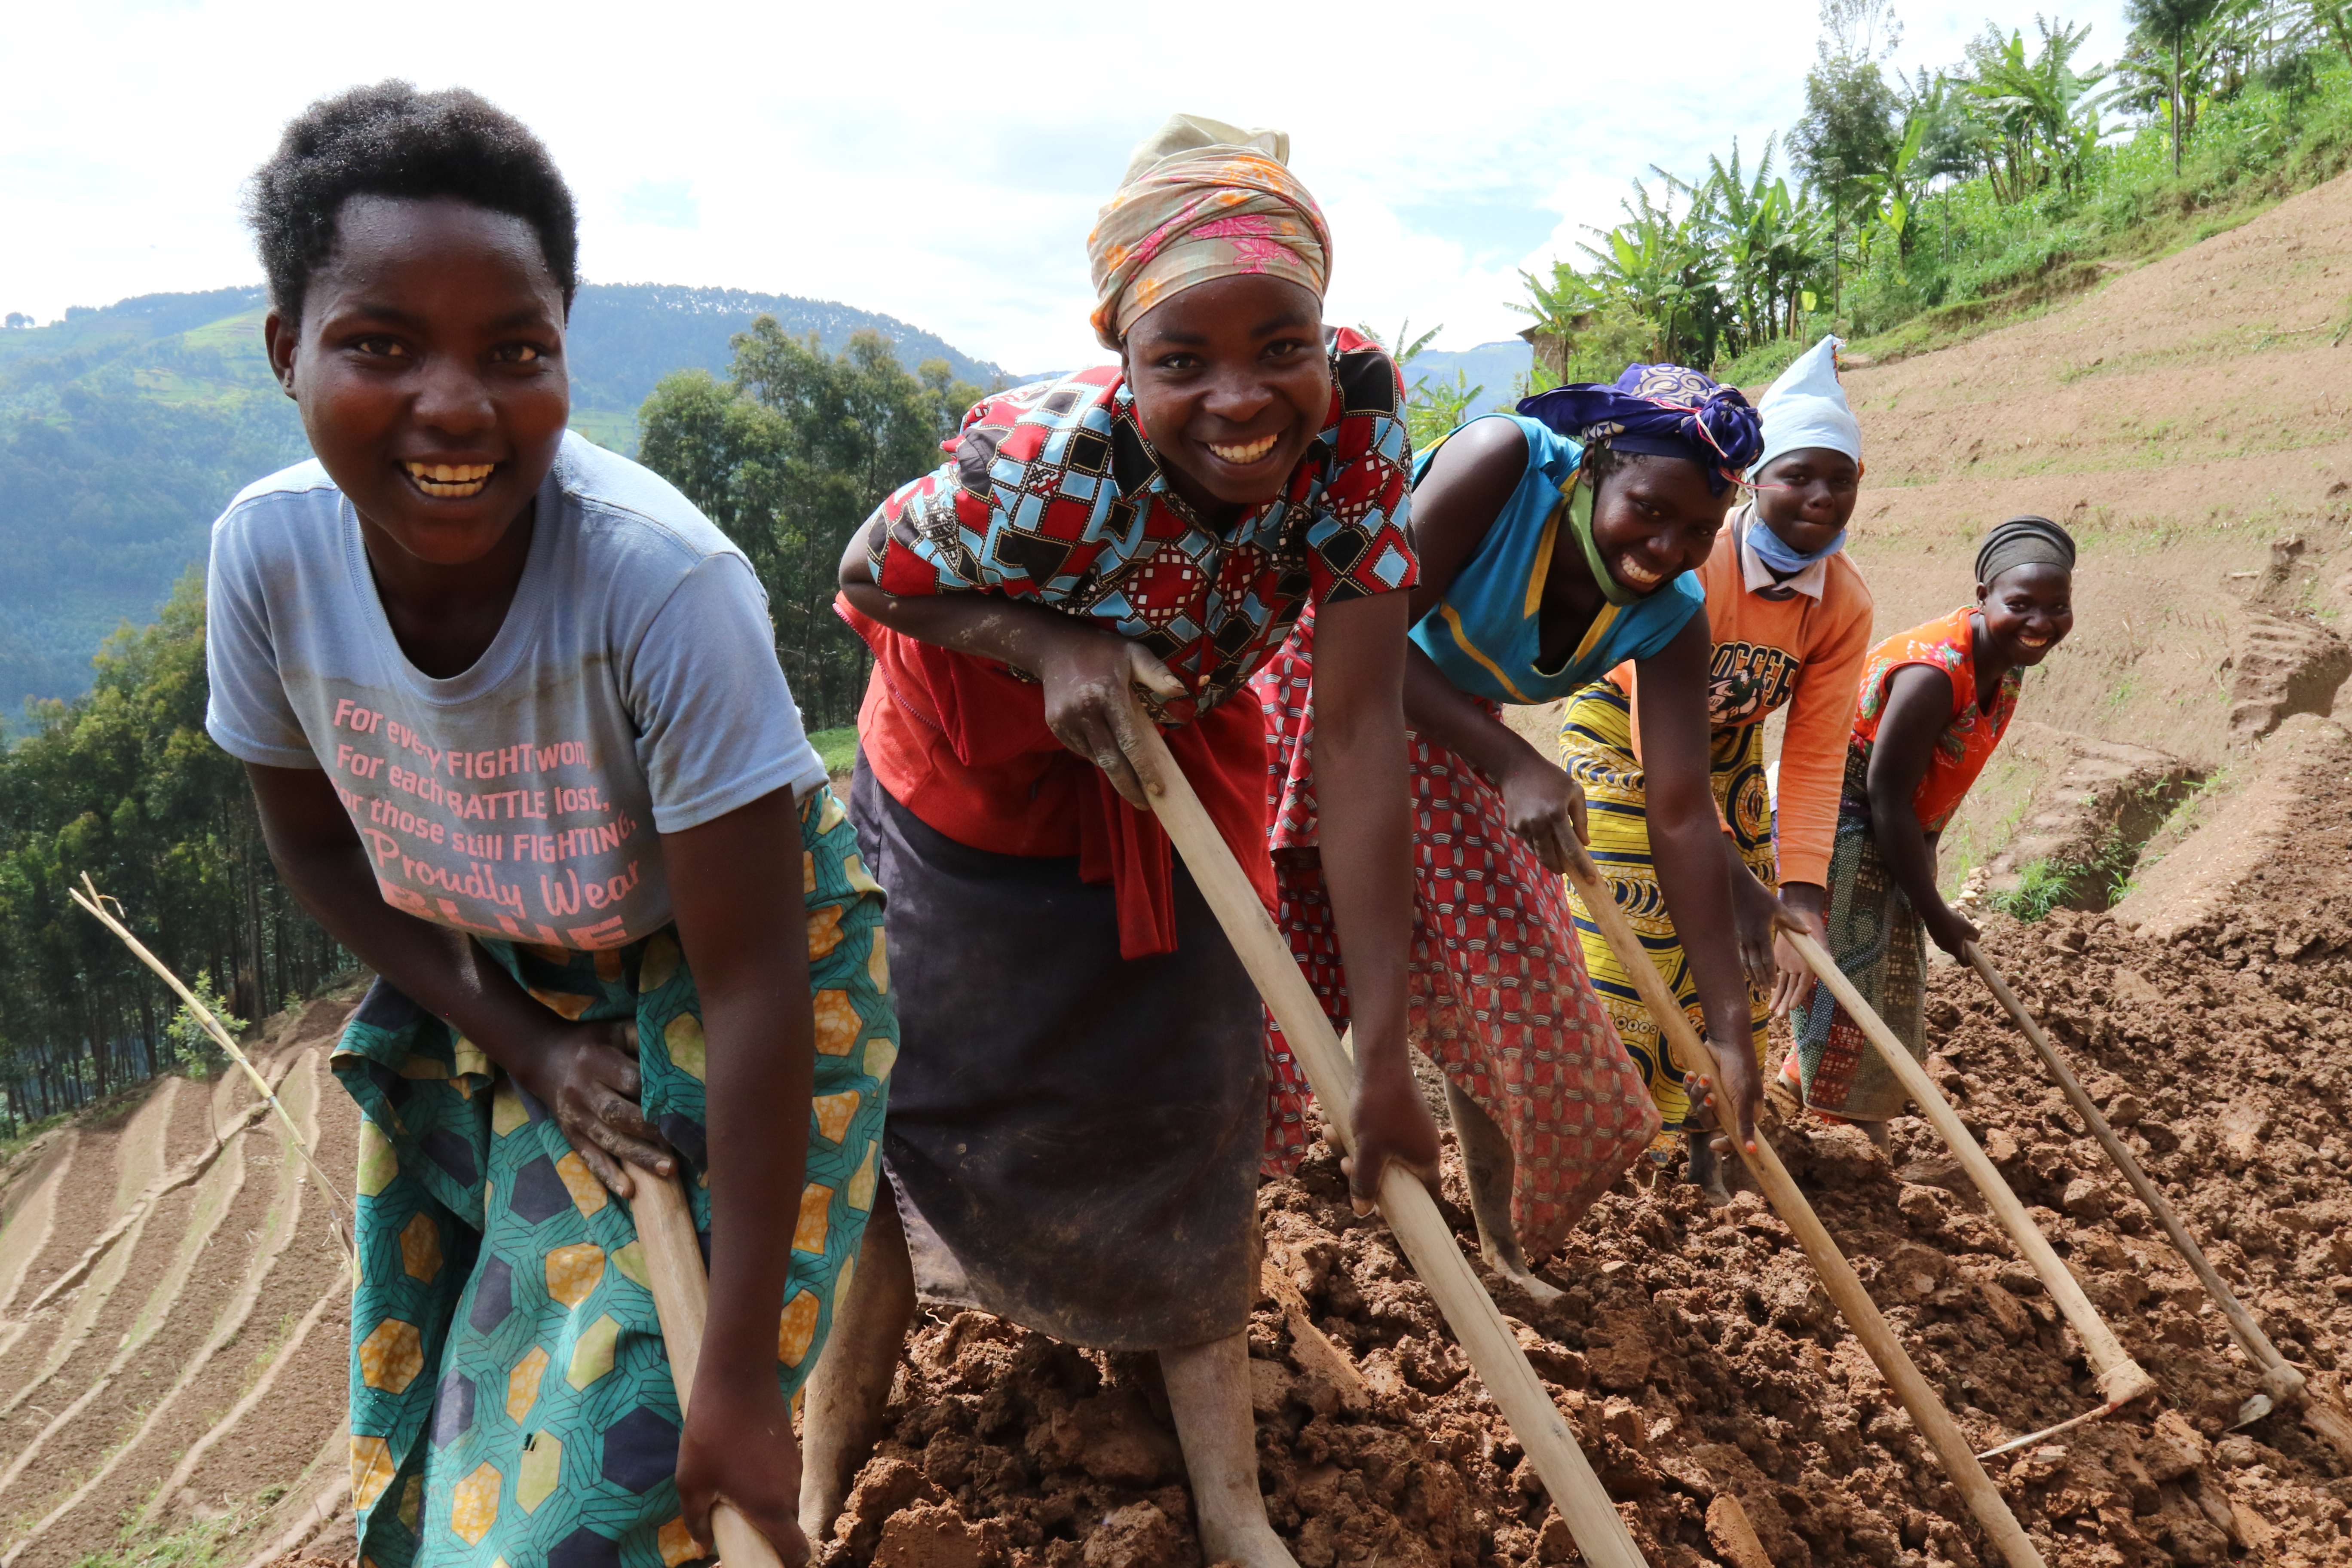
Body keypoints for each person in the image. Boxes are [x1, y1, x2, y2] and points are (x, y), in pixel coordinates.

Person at [205, 83, 891, 1566]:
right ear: (287, 351)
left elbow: (759, 981)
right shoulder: (267, 560)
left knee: (617, 1475)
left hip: (738, 980)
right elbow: (319, 853)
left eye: (514, 351)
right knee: (470, 1449)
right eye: (380, 344)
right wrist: (526, 1041)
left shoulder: (662, 585)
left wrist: (736, 1378)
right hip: (505, 979)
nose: (455, 404)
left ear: (565, 353)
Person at [810, 116, 1436, 1568]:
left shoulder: (1357, 438)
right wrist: (1038, 639)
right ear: (1123, 353)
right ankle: (819, 1475)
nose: (1240, 397)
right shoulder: (1045, 466)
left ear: (1325, 332)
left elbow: (1354, 737)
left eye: (1278, 343)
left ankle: (1233, 1506)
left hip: (1183, 755)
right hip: (972, 782)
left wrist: (1383, 1053)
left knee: (1189, 1100)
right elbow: (864, 571)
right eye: (1182, 361)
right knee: (916, 1128)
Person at [1249, 360, 1770, 1299]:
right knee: (1280, 965)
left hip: (1452, 732)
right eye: (1650, 509)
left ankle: (1501, 1250)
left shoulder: (1672, 617)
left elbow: (1683, 813)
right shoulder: (1501, 465)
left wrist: (1731, 1033)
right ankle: (1238, 1212)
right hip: (1320, 688)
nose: (1666, 547)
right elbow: (1356, 636)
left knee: (1516, 981)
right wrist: (1514, 764)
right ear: (1598, 463)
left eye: (1700, 531)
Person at [1559, 335, 1875, 1200]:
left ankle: (1714, 1155)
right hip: (1624, 735)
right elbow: (1658, 742)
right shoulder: (1701, 559)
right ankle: (1621, 1158)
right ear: (1754, 482)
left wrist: (1800, 898)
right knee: (1642, 938)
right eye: (1796, 475)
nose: (1818, 497)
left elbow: (1812, 755)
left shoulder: (1842, 602)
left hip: (1727, 752)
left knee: (1751, 949)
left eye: (1838, 479)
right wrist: (1726, 868)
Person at [1778, 516, 2077, 1135]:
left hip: (1887, 823)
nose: (2040, 623)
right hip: (1835, 819)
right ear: (1983, 597)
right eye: (2020, 604)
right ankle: (1840, 1135)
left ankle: (1807, 1102)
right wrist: (1935, 911)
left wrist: (1927, 856)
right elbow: (1885, 793)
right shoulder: (1932, 675)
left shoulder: (2009, 663)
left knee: (1890, 979)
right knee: (1853, 980)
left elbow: (1943, 775)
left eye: (2057, 607)